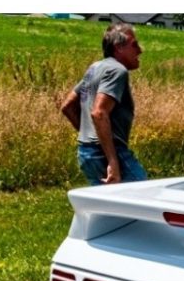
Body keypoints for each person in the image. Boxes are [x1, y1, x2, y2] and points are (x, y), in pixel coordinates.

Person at [60, 23, 147, 186]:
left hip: (86, 153)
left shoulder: (95, 67)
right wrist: (113, 162)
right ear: (118, 48)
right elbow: (99, 113)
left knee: (109, 207)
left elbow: (67, 106)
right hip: (107, 154)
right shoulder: (117, 71)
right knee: (144, 197)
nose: (140, 50)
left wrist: (88, 137)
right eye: (134, 45)